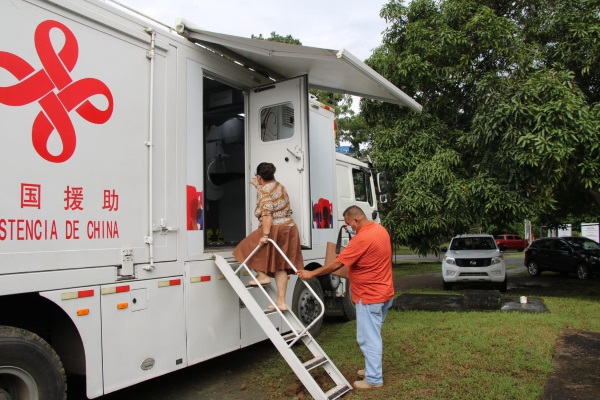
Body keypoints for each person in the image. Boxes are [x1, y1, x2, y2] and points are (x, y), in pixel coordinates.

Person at [297, 205, 394, 390]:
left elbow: (337, 263)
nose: (349, 228)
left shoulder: (362, 238)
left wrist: (312, 273)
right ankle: (371, 369)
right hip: (384, 293)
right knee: (371, 335)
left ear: (356, 220)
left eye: (349, 224)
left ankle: (374, 379)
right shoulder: (380, 230)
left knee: (369, 339)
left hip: (369, 296)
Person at [233, 162, 304, 312]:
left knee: (243, 249)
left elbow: (267, 213)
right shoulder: (279, 186)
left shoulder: (264, 191)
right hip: (289, 228)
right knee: (280, 266)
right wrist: (258, 187)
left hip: (276, 228)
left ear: (259, 177)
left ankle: (262, 275)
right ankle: (281, 301)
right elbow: (270, 198)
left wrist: (265, 235)